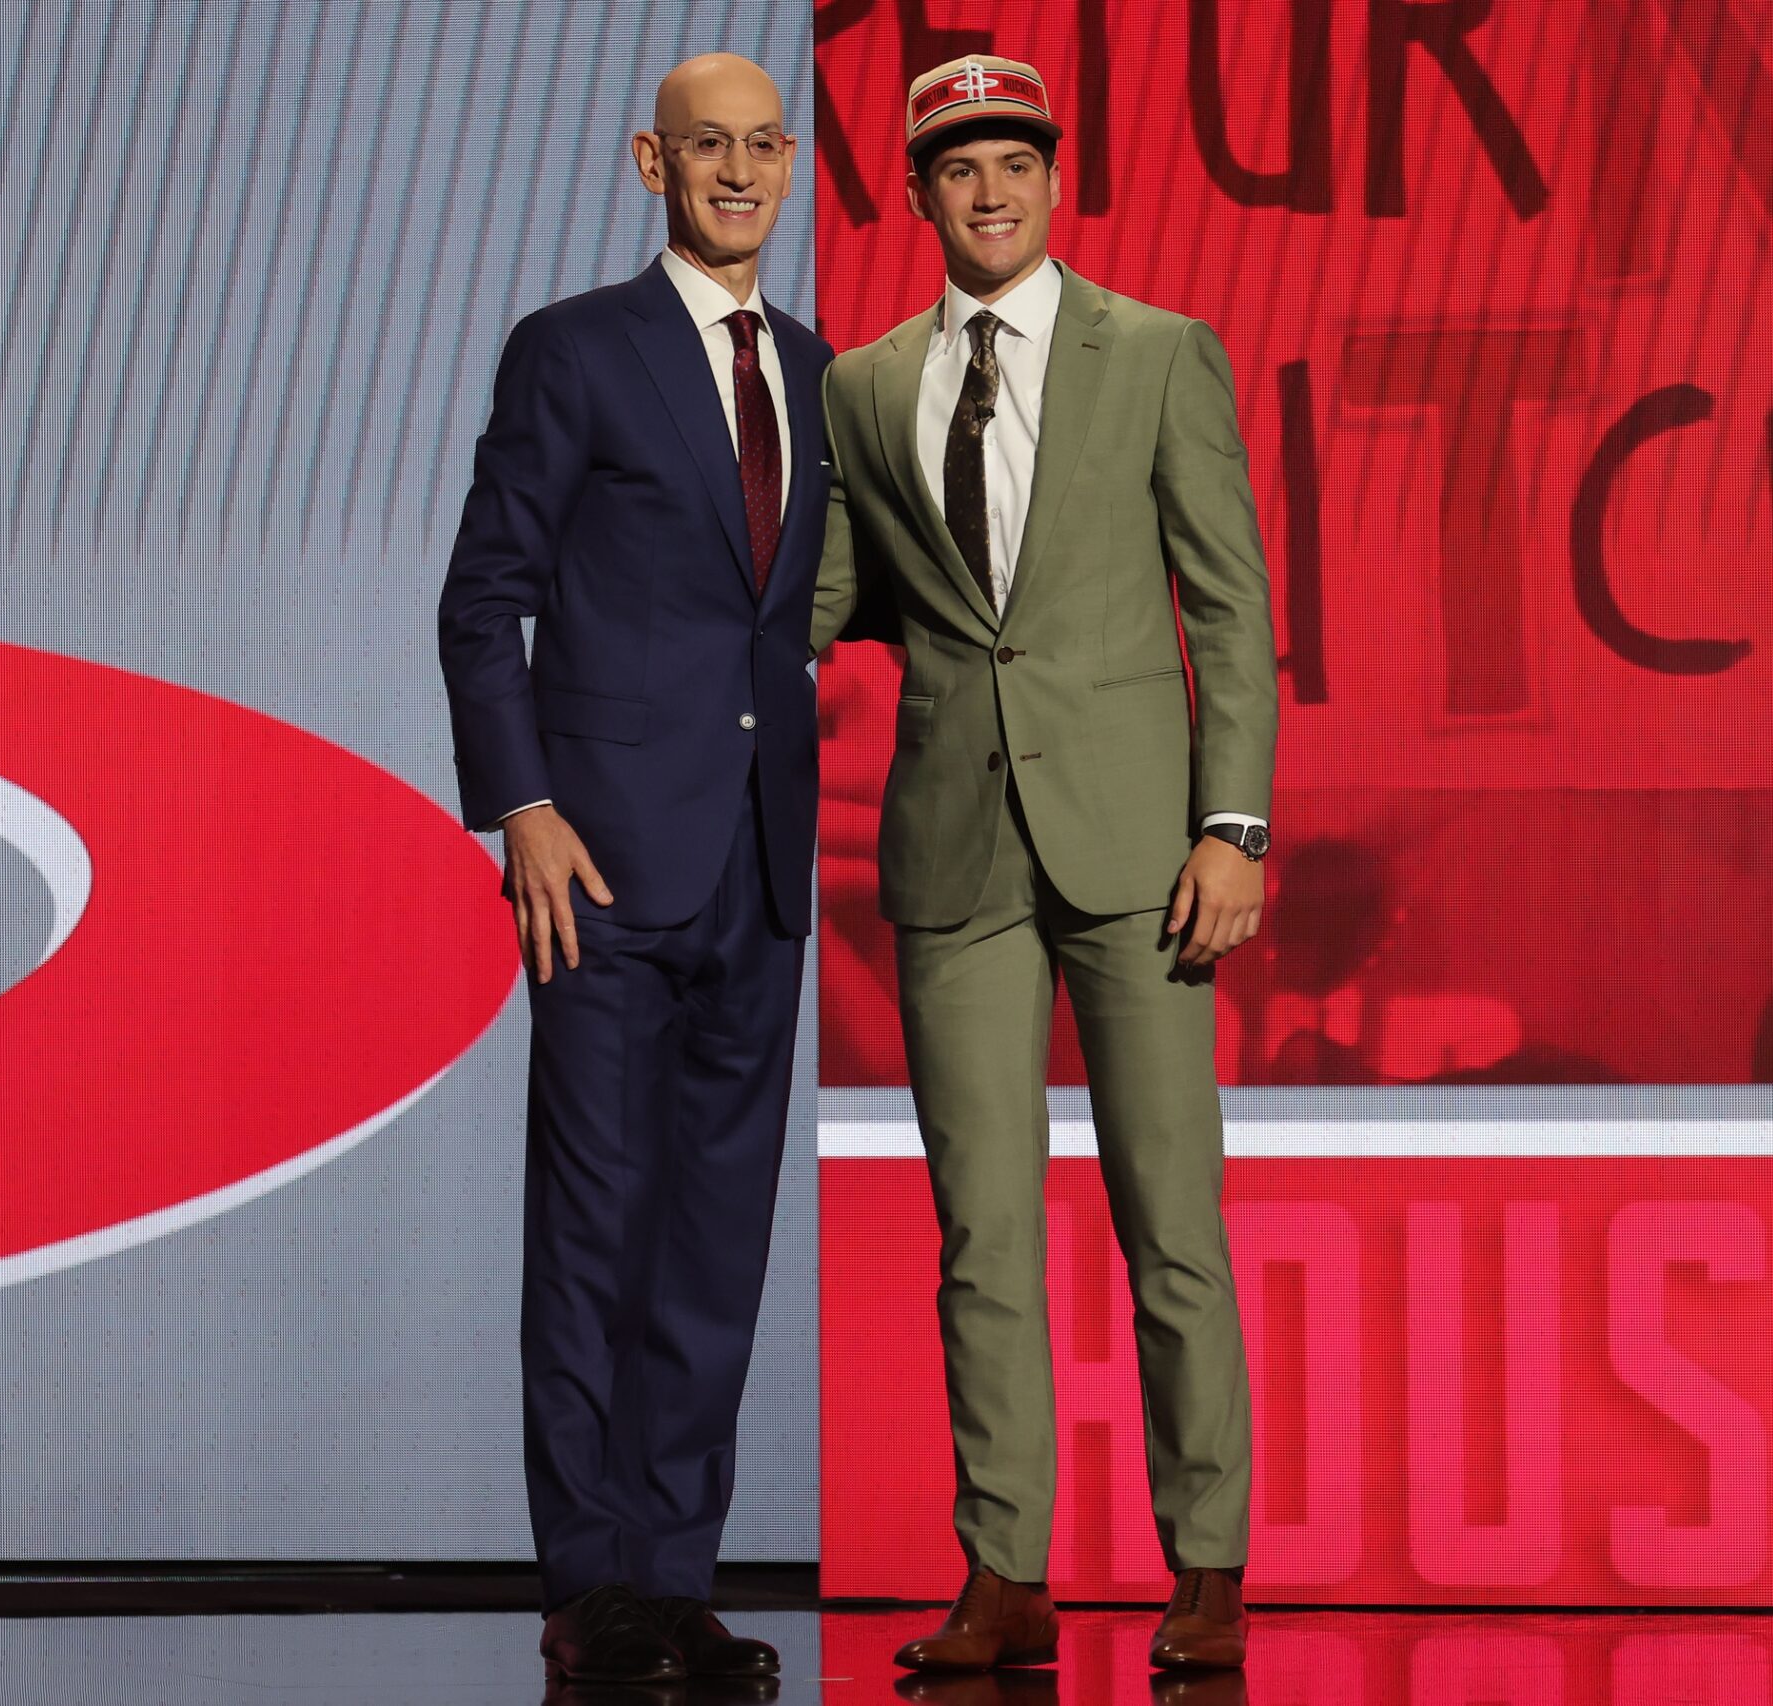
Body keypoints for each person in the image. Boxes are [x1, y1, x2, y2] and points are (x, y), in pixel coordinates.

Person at [812, 52, 1279, 1676]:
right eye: (959, 167)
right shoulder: (865, 387)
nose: (991, 189)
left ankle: (1206, 1562)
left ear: (1053, 179)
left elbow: (1228, 606)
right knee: (979, 1230)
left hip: (1142, 850)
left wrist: (1235, 825)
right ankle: (1005, 1571)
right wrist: (653, 635)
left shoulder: (1156, 353)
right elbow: (831, 597)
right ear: (921, 193)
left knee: (1174, 1217)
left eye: (1015, 160)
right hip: (955, 851)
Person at [437, 52, 824, 1688]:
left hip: (759, 859)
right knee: (598, 1224)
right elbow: (482, 602)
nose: (736, 173)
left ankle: (676, 1575)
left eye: (761, 148)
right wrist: (520, 804)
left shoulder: (812, 367)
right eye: (705, 149)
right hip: (593, 858)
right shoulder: (575, 347)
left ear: (791, 165)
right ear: (646, 162)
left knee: (717, 1234)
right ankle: (594, 1578)